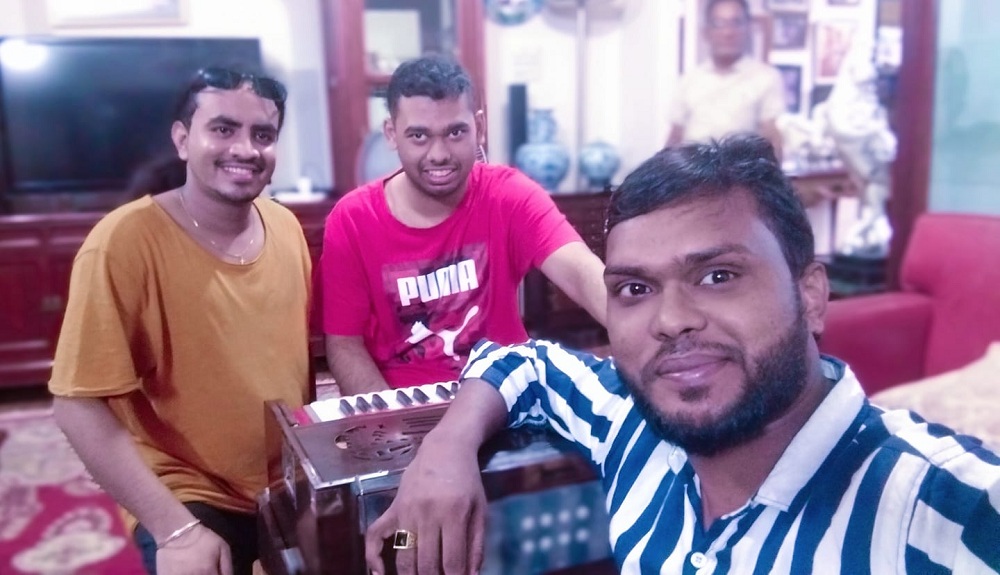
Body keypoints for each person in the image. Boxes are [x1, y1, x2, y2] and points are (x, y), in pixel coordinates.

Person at [364, 134, 1000, 575]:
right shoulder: (634, 422)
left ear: (809, 295)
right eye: (635, 289)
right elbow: (523, 363)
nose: (670, 321)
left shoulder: (951, 517)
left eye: (718, 276)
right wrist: (444, 452)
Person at [49, 67, 311, 575]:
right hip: (188, 494)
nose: (245, 148)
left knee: (397, 547)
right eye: (223, 129)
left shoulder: (285, 226)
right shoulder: (123, 242)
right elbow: (76, 405)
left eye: (263, 135)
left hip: (288, 482)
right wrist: (175, 530)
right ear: (182, 139)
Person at [320, 54, 606, 394]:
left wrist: (642, 333)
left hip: (506, 398)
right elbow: (344, 344)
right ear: (392, 134)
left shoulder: (509, 195)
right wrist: (389, 419)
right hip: (405, 405)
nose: (439, 154)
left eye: (455, 132)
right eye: (419, 136)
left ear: (479, 128)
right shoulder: (352, 220)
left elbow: (582, 273)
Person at [666, 0, 785, 158]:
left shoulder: (766, 77)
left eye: (736, 23)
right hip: (692, 169)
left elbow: (772, 138)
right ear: (706, 32)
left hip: (740, 170)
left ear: (748, 28)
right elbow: (675, 137)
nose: (728, 32)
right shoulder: (688, 80)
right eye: (718, 24)